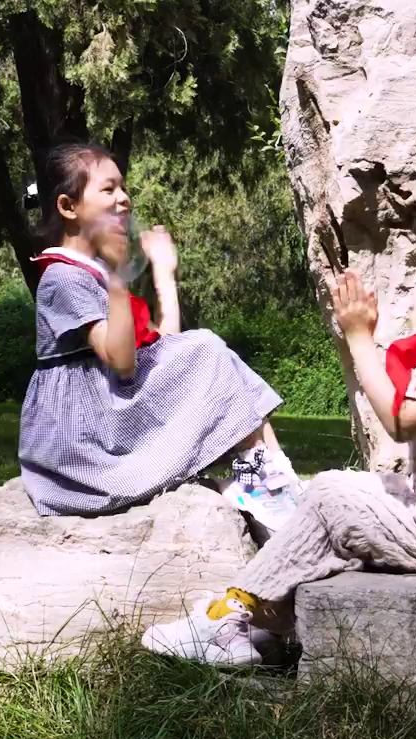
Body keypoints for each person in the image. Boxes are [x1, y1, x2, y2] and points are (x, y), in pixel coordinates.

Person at [141, 178, 416, 666]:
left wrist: (359, 336)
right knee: (350, 494)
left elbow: (402, 418)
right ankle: (263, 621)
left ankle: (227, 620)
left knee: (329, 495)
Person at [17, 143, 296, 518]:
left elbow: (166, 352)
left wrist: (163, 273)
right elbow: (122, 362)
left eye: (123, 188)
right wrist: (118, 276)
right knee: (206, 347)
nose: (124, 198)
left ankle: (269, 475)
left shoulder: (90, 273)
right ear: (68, 207)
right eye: (108, 189)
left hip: (109, 416)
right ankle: (263, 478)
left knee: (203, 348)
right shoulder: (62, 277)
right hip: (83, 444)